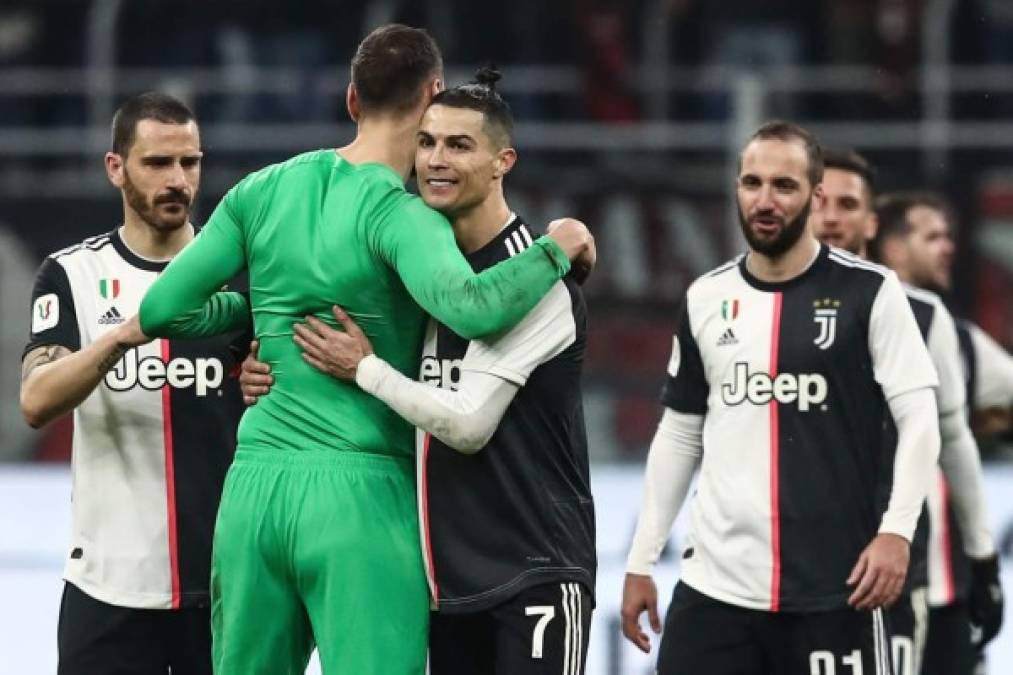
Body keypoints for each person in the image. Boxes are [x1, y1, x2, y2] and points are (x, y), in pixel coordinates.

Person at [136, 26, 595, 675]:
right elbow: (471, 305)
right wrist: (558, 248)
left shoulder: (261, 189)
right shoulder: (402, 216)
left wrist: (262, 319)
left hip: (253, 489)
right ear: (432, 95)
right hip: (361, 493)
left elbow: (160, 310)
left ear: (351, 100)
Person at [620, 121, 941, 674]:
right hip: (714, 591)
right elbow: (678, 433)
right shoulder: (707, 296)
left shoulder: (869, 292)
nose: (765, 200)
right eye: (752, 183)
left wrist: (895, 530)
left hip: (836, 589)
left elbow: (919, 417)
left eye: (784, 186)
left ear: (814, 198)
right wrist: (641, 559)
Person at [19, 92, 247, 675]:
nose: (177, 180)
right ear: (115, 168)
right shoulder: (71, 273)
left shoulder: (243, 275)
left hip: (227, 583)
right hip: (108, 587)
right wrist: (123, 336)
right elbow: (36, 401)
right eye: (157, 163)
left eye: (189, 163)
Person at [812, 150, 1001, 675]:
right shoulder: (752, 307)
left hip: (908, 572)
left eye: (847, 204)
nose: (831, 218)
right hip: (789, 572)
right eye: (821, 201)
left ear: (871, 222)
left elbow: (955, 436)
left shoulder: (927, 319)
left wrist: (981, 557)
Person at [871, 192, 1005, 675]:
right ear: (892, 247)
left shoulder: (957, 338)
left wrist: (984, 423)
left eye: (949, 235)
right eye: (932, 236)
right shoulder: (837, 327)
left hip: (947, 584)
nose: (948, 247)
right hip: (864, 581)